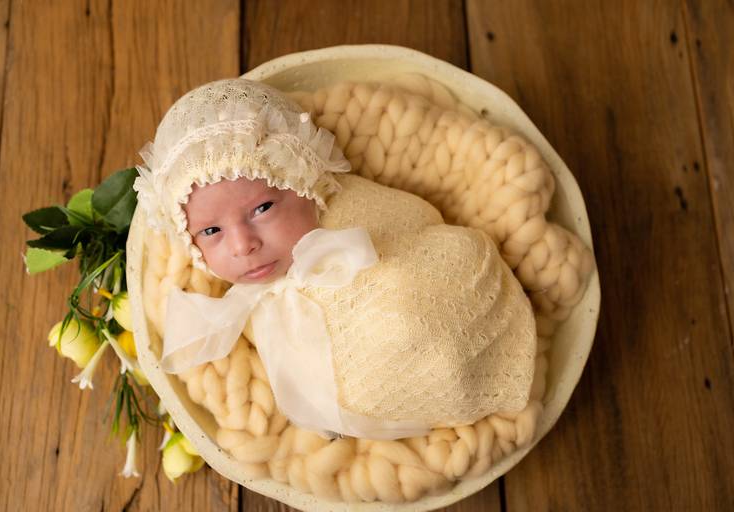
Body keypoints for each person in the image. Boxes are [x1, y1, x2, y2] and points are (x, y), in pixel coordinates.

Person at [134, 78, 537, 440]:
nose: (242, 245)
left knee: (414, 308)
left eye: (262, 209)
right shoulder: (252, 306)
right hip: (389, 386)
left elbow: (416, 223)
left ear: (303, 180)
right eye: (211, 232)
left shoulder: (347, 204)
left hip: (437, 302)